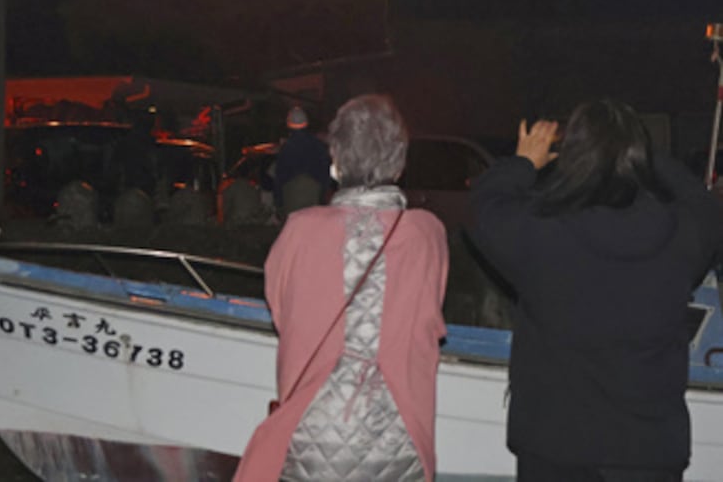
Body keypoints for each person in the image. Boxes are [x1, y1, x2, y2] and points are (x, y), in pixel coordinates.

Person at [469, 98, 723, 482]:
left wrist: (523, 161)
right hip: (648, 453)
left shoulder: (541, 237)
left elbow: (484, 206)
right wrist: (637, 150)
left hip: (555, 448)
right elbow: (702, 202)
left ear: (574, 157)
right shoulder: (681, 238)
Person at [234, 94, 449, 482]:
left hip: (310, 434)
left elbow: (282, 311)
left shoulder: (301, 229)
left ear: (335, 160)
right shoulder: (426, 234)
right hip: (399, 441)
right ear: (400, 163)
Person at [273, 105, 333, 215]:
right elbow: (326, 174)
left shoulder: (287, 148)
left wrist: (279, 203)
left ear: (288, 124)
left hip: (292, 200)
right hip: (314, 199)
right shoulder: (318, 146)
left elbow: (280, 177)